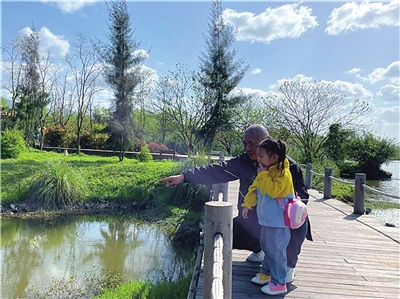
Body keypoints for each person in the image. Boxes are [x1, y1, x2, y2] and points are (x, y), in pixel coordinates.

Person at [158, 124, 311, 283]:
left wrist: (288, 207)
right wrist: (183, 177)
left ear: (266, 142)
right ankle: (261, 249)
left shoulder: (288, 167)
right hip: (254, 219)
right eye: (245, 143)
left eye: (252, 143)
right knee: (224, 235)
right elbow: (217, 171)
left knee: (299, 222)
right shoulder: (244, 161)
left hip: (281, 221)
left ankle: (288, 264)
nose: (247, 148)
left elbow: (303, 199)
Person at [242, 137, 292, 295]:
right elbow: (254, 189)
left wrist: (263, 176)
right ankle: (267, 273)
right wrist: (247, 204)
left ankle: (279, 283)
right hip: (267, 220)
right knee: (266, 247)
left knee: (277, 251)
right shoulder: (264, 171)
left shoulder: (283, 174)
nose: (258, 158)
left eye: (261, 156)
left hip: (279, 222)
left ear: (274, 158)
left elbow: (274, 191)